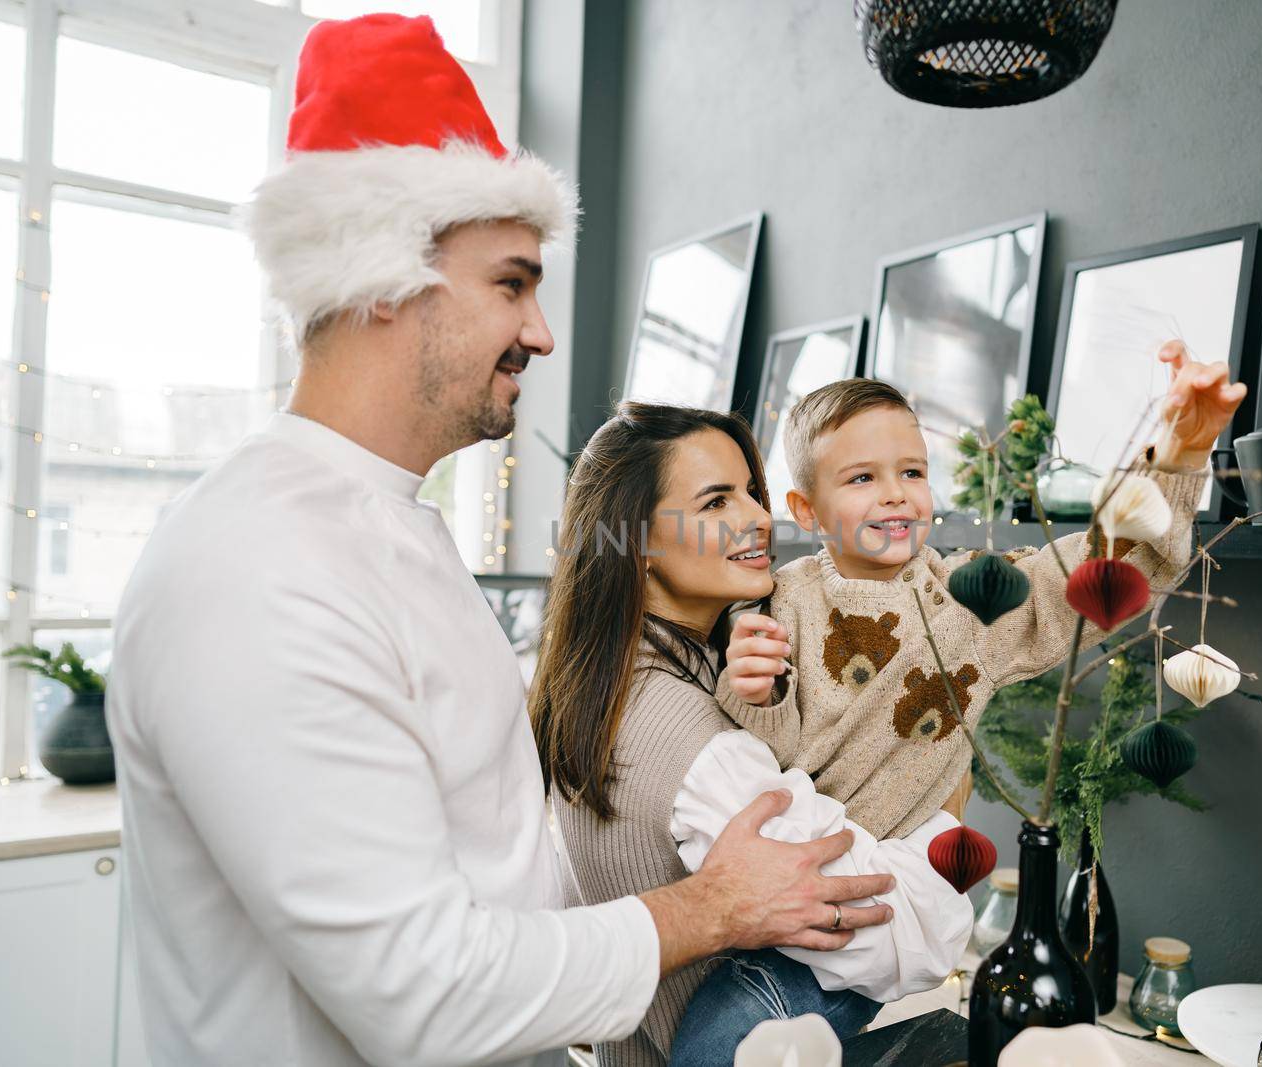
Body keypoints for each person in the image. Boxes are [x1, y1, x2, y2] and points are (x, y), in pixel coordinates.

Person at [106, 15, 894, 1067]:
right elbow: (420, 993)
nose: (541, 331)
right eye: (512, 283)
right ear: (384, 281)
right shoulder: (255, 566)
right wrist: (710, 909)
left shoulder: (387, 528)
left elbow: (497, 873)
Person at [534, 404, 973, 1067]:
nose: (758, 518)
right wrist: (947, 807)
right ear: (639, 540)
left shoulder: (600, 683)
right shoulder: (698, 742)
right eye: (715, 501)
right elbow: (893, 936)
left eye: (751, 492)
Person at [715, 346, 1245, 842]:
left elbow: (1103, 565)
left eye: (911, 472)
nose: (896, 493)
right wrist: (756, 697)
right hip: (785, 857)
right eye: (861, 479)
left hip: (894, 879)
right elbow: (753, 757)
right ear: (806, 509)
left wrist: (1180, 453)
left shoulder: (969, 601)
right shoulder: (780, 602)